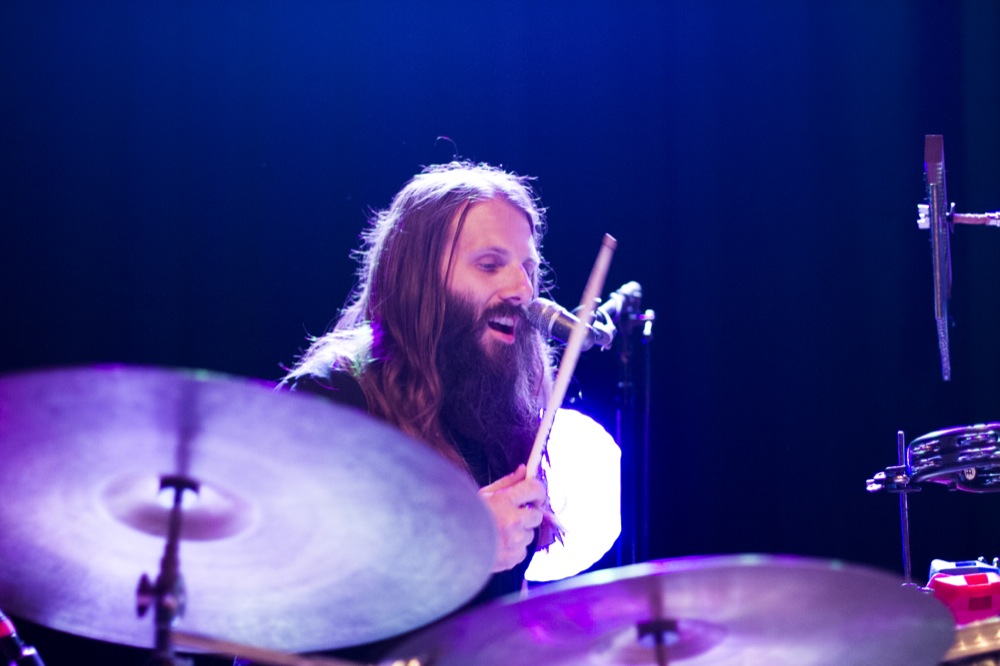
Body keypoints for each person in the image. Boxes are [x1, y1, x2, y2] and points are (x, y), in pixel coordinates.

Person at [281, 161, 560, 602]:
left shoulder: (496, 411)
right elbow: (286, 575)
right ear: (420, 279)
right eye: (490, 265)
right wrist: (460, 540)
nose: (523, 290)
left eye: (528, 268)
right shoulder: (334, 396)